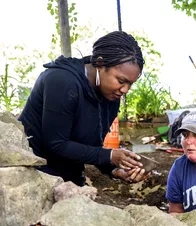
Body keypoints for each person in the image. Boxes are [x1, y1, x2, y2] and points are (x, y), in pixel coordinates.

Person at [18, 31, 149, 186]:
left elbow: (91, 147)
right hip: (34, 174)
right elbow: (56, 144)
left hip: (70, 174)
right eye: (121, 80)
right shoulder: (62, 81)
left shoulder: (111, 95)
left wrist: (113, 170)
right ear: (100, 64)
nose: (125, 90)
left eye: (130, 84)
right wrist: (110, 155)